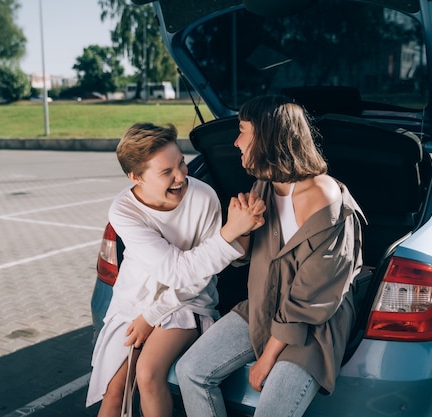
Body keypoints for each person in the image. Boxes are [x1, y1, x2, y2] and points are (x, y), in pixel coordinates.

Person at [176, 96, 366, 417]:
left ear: (268, 136)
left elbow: (312, 299)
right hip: (262, 306)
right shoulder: (263, 187)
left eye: (242, 131)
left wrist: (267, 359)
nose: (236, 142)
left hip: (312, 326)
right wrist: (240, 230)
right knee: (191, 370)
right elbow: (245, 259)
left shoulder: (326, 200)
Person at [85, 122, 265, 417]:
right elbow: (176, 270)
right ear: (136, 177)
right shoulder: (124, 210)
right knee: (114, 392)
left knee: (147, 374)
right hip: (135, 303)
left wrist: (151, 317)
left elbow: (197, 278)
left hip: (187, 301)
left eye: (181, 163)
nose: (181, 176)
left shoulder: (203, 197)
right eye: (166, 172)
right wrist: (230, 232)